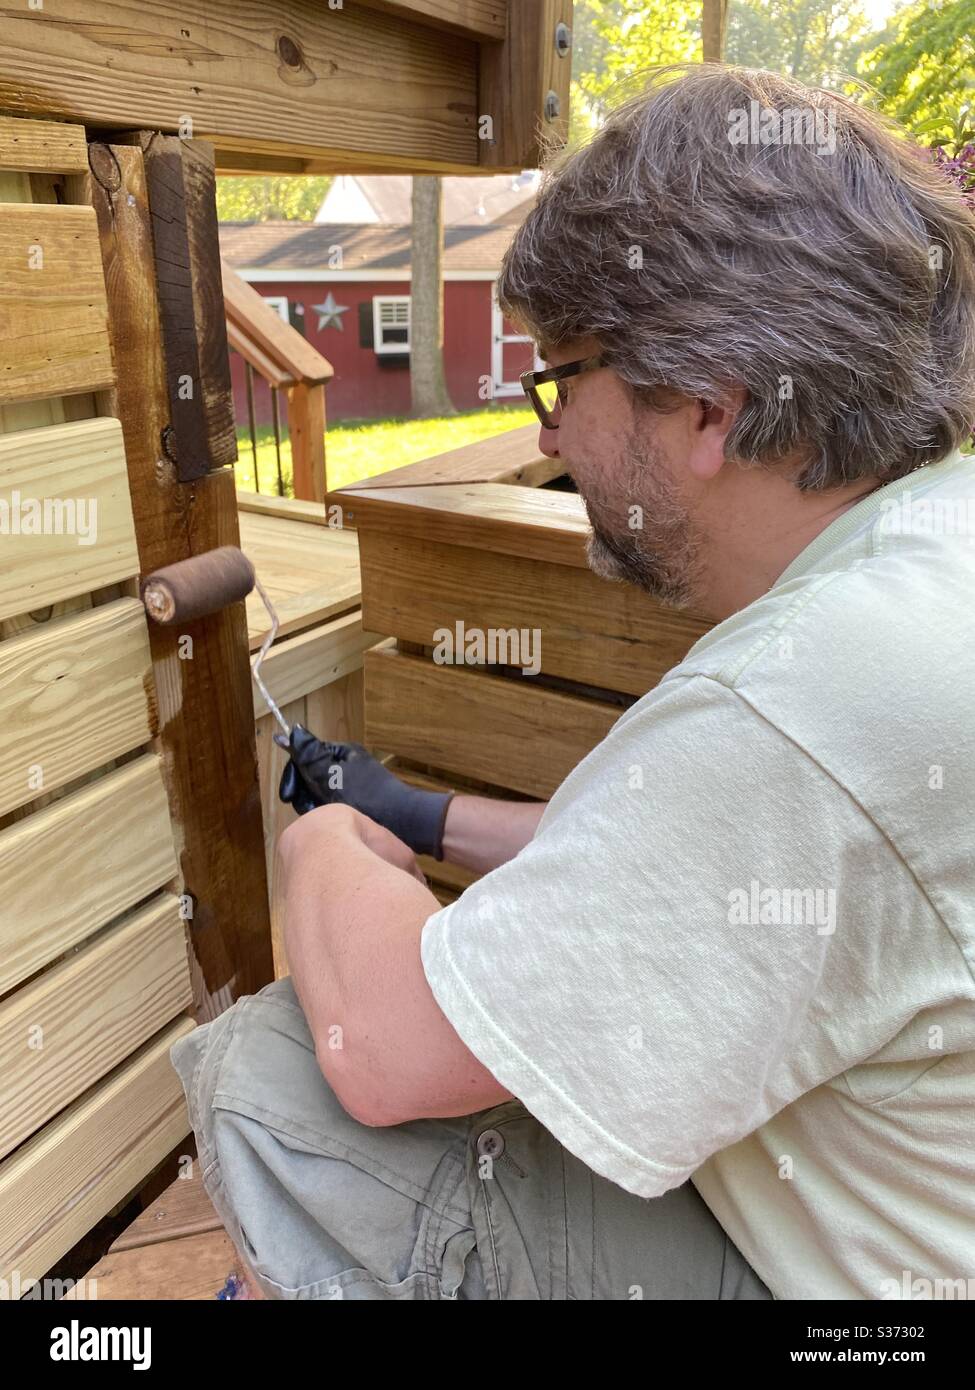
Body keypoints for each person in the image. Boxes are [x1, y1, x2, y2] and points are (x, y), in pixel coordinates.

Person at [171, 63, 975, 1300]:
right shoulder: (926, 556)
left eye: (563, 379)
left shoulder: (794, 703)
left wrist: (325, 847)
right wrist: (422, 817)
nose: (547, 434)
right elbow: (697, 868)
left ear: (710, 407)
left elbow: (381, 1050)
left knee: (285, 1065)